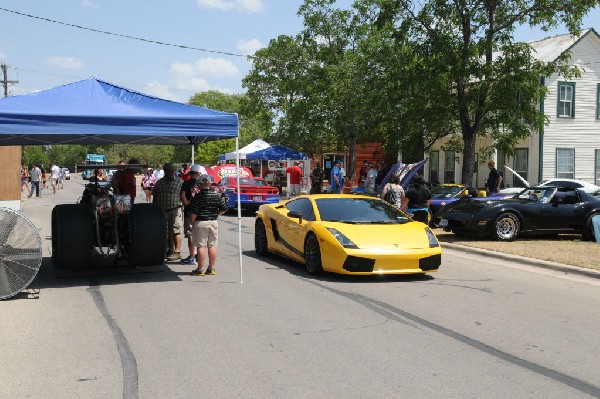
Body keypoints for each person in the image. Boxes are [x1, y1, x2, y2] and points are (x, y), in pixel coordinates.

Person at [187, 174, 228, 276]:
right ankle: (211, 268)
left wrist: (192, 223)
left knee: (201, 246)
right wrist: (216, 214)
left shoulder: (197, 196)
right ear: (209, 184)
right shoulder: (216, 195)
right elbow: (224, 208)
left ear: (199, 185)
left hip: (201, 222)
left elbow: (193, 213)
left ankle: (200, 269)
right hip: (213, 222)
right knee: (213, 245)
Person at [153, 163, 183, 261]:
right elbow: (155, 195)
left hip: (175, 209)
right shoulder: (159, 182)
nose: (170, 173)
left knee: (176, 230)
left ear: (174, 171)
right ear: (164, 171)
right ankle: (171, 250)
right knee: (167, 232)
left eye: (171, 171)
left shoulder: (179, 182)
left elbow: (184, 195)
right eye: (168, 171)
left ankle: (177, 251)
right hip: (162, 210)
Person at [180, 164, 201, 265]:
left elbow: (183, 195)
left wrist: (186, 202)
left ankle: (192, 256)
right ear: (197, 174)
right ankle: (198, 255)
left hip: (189, 211)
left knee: (190, 234)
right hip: (200, 212)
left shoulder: (186, 183)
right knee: (198, 234)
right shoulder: (201, 183)